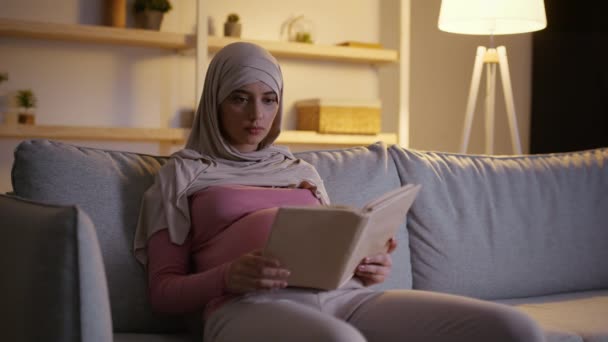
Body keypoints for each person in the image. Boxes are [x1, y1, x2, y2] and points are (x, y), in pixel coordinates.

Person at [134, 42, 545, 342]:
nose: (256, 115)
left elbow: (332, 251)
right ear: (214, 103)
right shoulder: (181, 175)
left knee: (515, 327)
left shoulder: (302, 171)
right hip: (246, 306)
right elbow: (163, 292)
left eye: (269, 99)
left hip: (343, 297)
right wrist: (228, 276)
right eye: (239, 99)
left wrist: (366, 266)